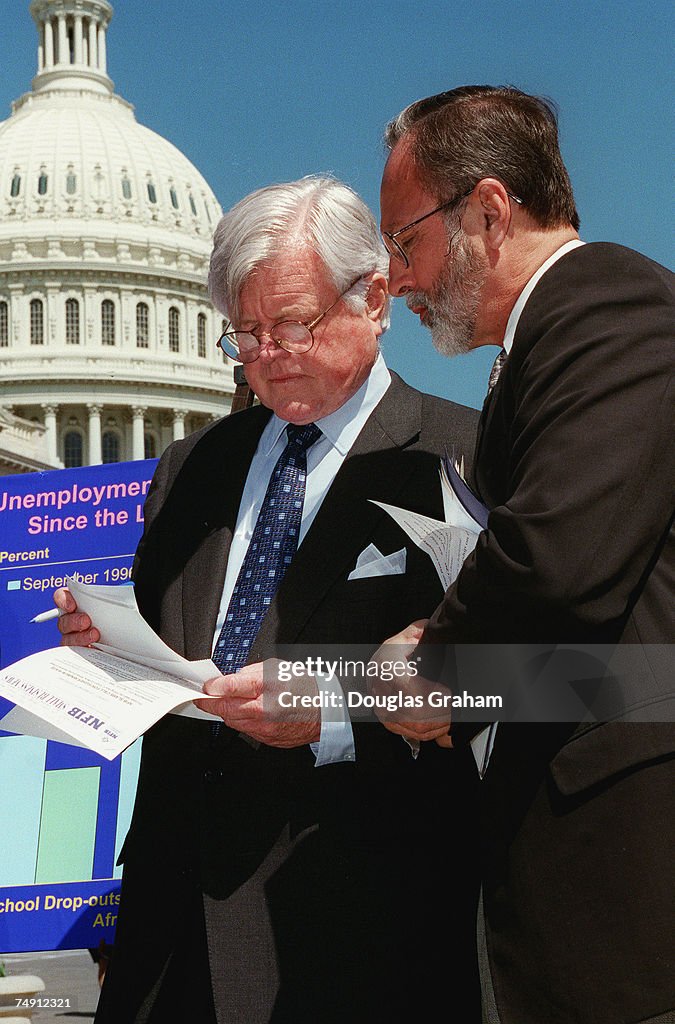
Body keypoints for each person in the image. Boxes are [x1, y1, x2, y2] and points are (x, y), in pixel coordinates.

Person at [56, 175, 482, 1023]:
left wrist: (330, 712)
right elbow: (176, 646)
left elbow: (506, 683)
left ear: (373, 298)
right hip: (171, 931)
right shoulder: (192, 467)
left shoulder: (461, 457)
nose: (268, 355)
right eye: (244, 335)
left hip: (360, 930)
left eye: (292, 323)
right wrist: (108, 645)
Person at [377, 87, 675, 1024]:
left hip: (633, 890)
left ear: (489, 212)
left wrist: (430, 666)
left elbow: (555, 554)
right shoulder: (537, 347)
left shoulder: (608, 301)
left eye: (403, 242)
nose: (397, 281)